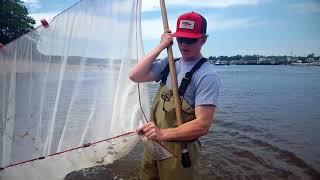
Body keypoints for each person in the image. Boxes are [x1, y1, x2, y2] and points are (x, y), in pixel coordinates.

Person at [129, 12, 219, 180]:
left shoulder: (207, 75)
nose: (184, 45)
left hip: (181, 150)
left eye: (191, 40)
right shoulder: (169, 62)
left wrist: (162, 134)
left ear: (203, 40)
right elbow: (135, 76)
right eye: (180, 39)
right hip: (154, 143)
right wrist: (161, 46)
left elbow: (203, 125)